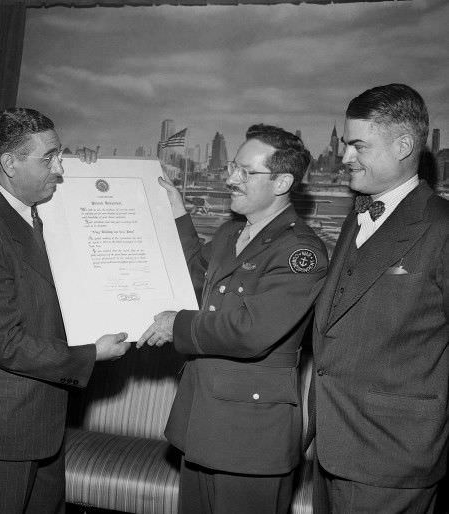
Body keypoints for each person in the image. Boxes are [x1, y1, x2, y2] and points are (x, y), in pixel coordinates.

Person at [0, 107, 130, 514]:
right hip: (1, 425)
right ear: (9, 163)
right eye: (48, 158)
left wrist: (89, 172)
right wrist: (91, 354)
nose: (59, 168)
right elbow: (4, 342)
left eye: (59, 154)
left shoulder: (35, 209)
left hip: (42, 417)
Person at [138, 124, 328, 514]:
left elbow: (250, 332)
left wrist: (174, 324)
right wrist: (176, 211)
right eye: (232, 168)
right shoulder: (230, 233)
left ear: (282, 182)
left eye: (245, 171)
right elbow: (192, 275)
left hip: (251, 437)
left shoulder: (300, 251)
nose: (230, 178)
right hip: (202, 421)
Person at [312, 84, 449, 512]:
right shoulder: (360, 213)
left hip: (393, 457)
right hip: (333, 446)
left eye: (358, 146)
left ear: (404, 145)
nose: (346, 156)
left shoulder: (442, 227)